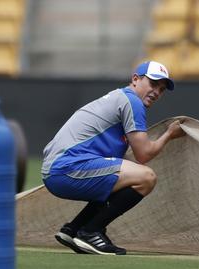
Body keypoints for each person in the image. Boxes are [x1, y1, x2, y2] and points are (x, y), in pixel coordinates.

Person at [41, 60, 185, 255]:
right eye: (153, 84)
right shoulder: (133, 101)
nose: (157, 92)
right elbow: (143, 154)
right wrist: (169, 134)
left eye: (161, 89)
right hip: (65, 169)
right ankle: (91, 232)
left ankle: (74, 229)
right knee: (146, 178)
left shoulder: (120, 98)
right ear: (135, 79)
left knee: (124, 178)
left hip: (59, 168)